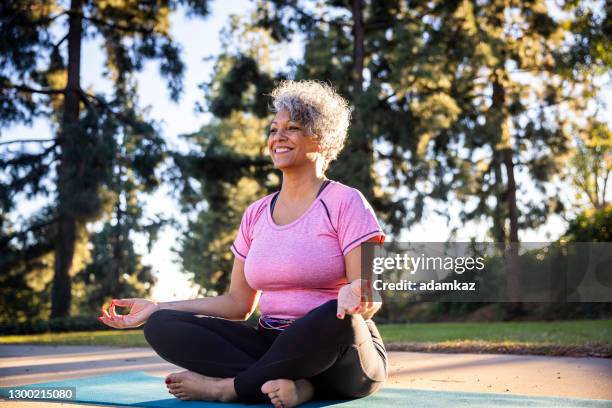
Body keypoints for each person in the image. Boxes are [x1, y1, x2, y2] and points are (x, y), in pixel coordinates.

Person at [99, 80, 388, 407]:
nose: (278, 136)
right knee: (162, 326)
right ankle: (297, 385)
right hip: (271, 344)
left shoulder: (348, 202)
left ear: (321, 138)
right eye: (274, 128)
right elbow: (238, 304)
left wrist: (357, 293)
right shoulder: (255, 214)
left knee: (334, 317)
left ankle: (229, 388)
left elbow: (369, 293)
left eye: (292, 128)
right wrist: (158, 307)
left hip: (340, 352)